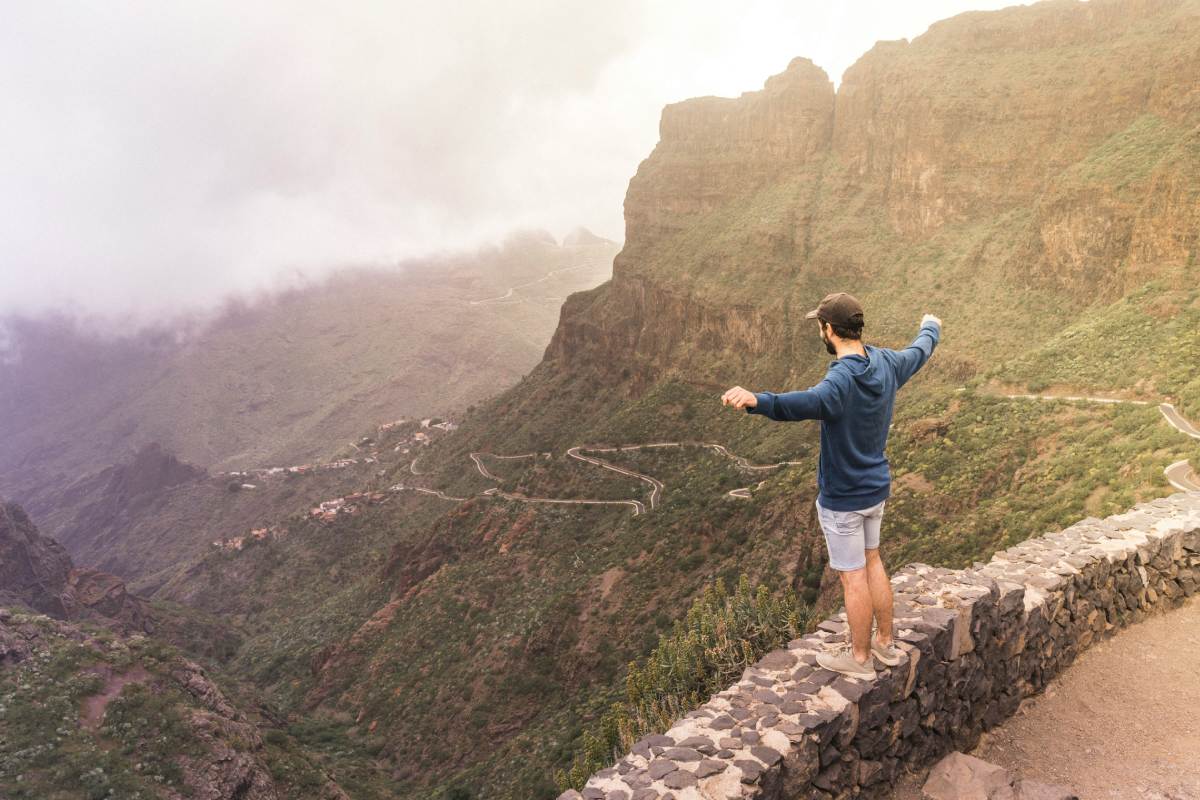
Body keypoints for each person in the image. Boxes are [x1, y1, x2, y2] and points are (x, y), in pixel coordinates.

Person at [720, 292, 941, 678]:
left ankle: (858, 659)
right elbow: (919, 351)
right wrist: (931, 327)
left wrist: (757, 400)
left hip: (844, 499)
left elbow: (805, 403)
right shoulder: (887, 363)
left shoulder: (841, 379)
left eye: (819, 325)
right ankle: (886, 645)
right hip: (876, 490)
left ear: (828, 330)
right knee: (873, 561)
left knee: (852, 575)